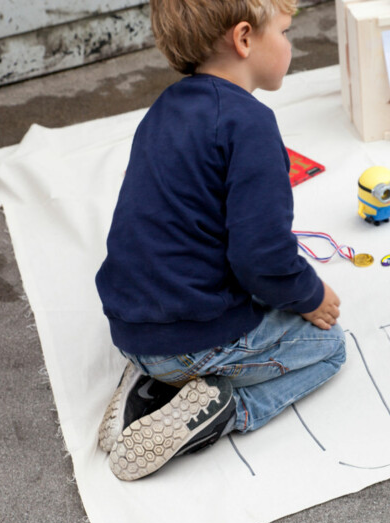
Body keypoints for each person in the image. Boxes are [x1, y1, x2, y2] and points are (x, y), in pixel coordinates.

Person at [94, 0, 346, 481]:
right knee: (331, 346)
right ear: (245, 38)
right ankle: (228, 409)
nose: (291, 45)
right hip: (192, 339)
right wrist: (311, 296)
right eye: (287, 32)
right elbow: (261, 258)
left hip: (130, 330)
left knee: (203, 312)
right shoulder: (249, 124)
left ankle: (151, 387)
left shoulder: (165, 107)